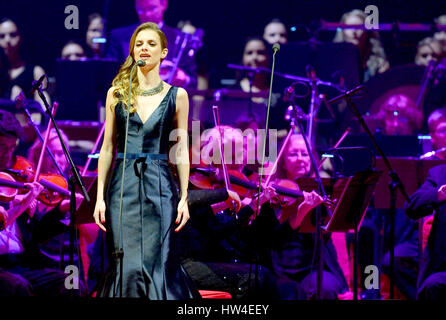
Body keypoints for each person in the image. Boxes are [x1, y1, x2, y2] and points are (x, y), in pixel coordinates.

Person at [93, 22, 199, 299]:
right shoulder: (116, 93)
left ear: (163, 53)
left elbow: (182, 147)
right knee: (126, 266)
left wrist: (184, 196)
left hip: (160, 185)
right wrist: (100, 198)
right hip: (123, 186)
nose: (144, 48)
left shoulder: (179, 95)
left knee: (158, 265)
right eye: (139, 44)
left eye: (151, 44)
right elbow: (107, 149)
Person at [0, 110, 85, 296]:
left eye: (12, 148)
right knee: (18, 287)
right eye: (2, 147)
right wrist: (23, 204)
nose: (8, 154)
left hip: (23, 264)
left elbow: (39, 232)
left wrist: (62, 210)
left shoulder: (16, 180)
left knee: (73, 284)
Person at [269, 132, 351, 299]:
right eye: (293, 154)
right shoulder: (272, 191)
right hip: (280, 266)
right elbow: (275, 238)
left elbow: (327, 235)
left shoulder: (320, 189)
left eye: (305, 154)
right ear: (283, 160)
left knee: (325, 288)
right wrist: (300, 212)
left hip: (311, 267)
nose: (300, 158)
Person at [106, 0, 198, 88]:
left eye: (152, 8)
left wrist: (184, 79)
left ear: (164, 4)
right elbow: (109, 75)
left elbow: (193, 81)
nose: (147, 14)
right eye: (141, 9)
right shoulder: (119, 36)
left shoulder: (180, 38)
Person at [405, 164, 446, 300]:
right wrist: (438, 194)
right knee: (432, 285)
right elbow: (411, 207)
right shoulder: (439, 173)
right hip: (442, 267)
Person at [0, 18, 50, 105]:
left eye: (13, 35)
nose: (7, 40)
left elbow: (43, 109)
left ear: (21, 37)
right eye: (2, 36)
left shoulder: (35, 71)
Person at [333, 9, 389, 82]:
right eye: (349, 27)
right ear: (342, 31)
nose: (354, 32)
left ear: (367, 31)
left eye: (358, 27)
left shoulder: (379, 63)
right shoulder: (335, 61)